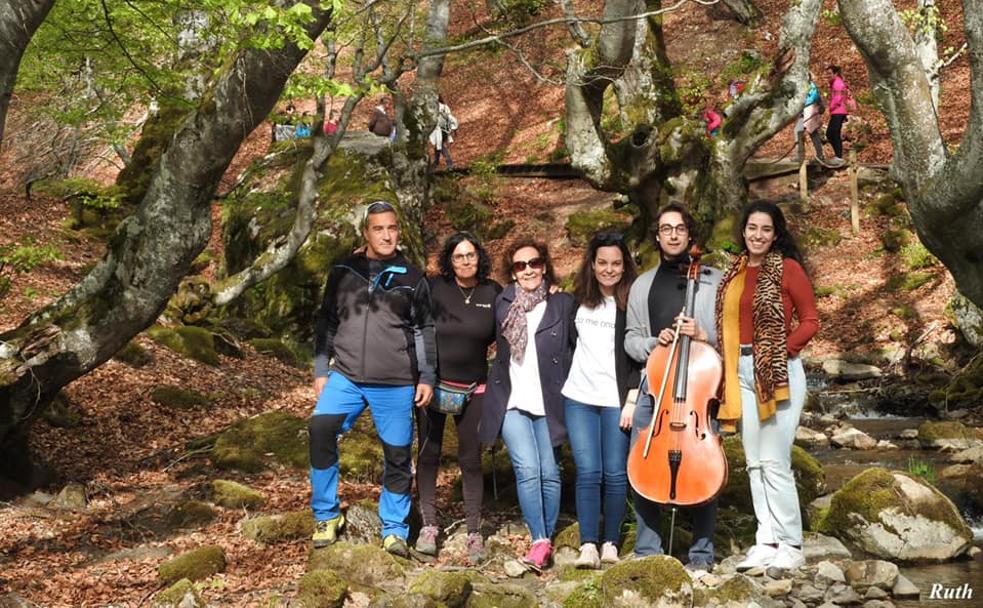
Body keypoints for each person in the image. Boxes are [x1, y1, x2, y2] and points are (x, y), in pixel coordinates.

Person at [309, 200, 436, 558]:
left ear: (399, 231)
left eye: (392, 228)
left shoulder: (413, 277)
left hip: (395, 381)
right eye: (378, 228)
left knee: (397, 454)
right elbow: (326, 322)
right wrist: (322, 369)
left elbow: (425, 329)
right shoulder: (343, 269)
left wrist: (426, 375)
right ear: (366, 232)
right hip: (346, 376)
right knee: (320, 432)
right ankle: (326, 515)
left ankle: (394, 530)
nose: (386, 235)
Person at [714, 201, 818, 572]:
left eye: (766, 229)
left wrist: (780, 351)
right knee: (755, 463)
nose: (758, 235)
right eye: (752, 228)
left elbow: (809, 321)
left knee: (775, 461)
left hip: (777, 373)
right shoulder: (736, 272)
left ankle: (792, 544)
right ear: (743, 231)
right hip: (739, 371)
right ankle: (767, 539)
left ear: (776, 235)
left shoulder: (788, 269)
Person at [624, 202, 722, 572]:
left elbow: (729, 335)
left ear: (690, 233)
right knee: (645, 464)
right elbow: (630, 339)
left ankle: (702, 555)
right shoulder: (642, 284)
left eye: (680, 228)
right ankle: (648, 550)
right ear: (658, 236)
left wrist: (703, 333)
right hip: (655, 392)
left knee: (705, 465)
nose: (674, 234)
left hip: (698, 391)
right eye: (666, 229)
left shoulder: (712, 279)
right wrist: (654, 343)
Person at [480, 239, 576, 572]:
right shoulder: (502, 302)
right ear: (512, 272)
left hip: (550, 400)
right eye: (520, 266)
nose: (528, 270)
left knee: (550, 472)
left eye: (534, 263)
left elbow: (578, 348)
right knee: (527, 469)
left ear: (544, 266)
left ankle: (544, 540)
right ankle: (539, 538)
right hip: (511, 399)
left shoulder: (563, 302)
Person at [414, 232, 502, 563]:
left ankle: (474, 531)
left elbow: (510, 330)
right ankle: (429, 526)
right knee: (429, 454)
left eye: (470, 255)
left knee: (470, 459)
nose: (465, 261)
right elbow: (415, 325)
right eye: (458, 256)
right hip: (432, 386)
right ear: (449, 261)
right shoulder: (434, 287)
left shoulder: (492, 292)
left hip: (474, 389)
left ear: (479, 257)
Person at [562, 232, 639, 569]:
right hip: (579, 397)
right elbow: (565, 344)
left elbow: (638, 355)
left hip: (615, 400)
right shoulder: (575, 300)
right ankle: (588, 544)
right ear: (592, 265)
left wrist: (632, 398)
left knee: (616, 473)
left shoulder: (631, 303)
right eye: (603, 263)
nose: (609, 270)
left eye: (616, 264)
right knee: (588, 471)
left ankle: (611, 543)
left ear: (625, 266)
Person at [795, 77, 826, 163]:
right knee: (801, 131)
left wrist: (803, 103)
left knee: (809, 132)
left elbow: (813, 97)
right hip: (806, 111)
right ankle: (818, 155)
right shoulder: (803, 85)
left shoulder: (811, 85)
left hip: (810, 110)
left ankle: (819, 155)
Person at [826, 65, 849, 165]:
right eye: (827, 73)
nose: (828, 75)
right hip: (836, 111)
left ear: (835, 74)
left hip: (839, 111)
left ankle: (839, 157)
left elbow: (838, 98)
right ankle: (838, 156)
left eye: (830, 73)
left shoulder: (838, 83)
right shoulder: (834, 83)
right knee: (830, 134)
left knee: (833, 133)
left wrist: (831, 107)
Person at [430, 95, 458, 169]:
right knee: (438, 146)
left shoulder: (438, 108)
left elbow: (449, 118)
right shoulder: (444, 107)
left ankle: (449, 163)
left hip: (440, 130)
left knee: (441, 146)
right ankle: (436, 163)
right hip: (444, 130)